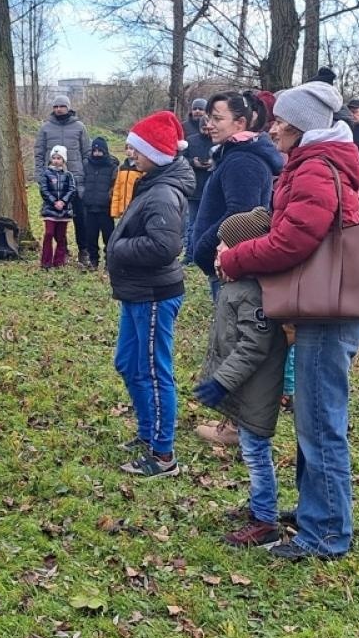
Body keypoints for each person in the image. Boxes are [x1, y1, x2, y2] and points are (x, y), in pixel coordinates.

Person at [216, 80, 359, 561]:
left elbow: (293, 242)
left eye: (281, 119)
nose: (273, 126)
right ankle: (315, 513)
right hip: (329, 304)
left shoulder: (314, 170)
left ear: (302, 125)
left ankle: (324, 534)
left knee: (320, 422)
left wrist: (236, 258)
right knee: (314, 416)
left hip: (328, 308)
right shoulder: (316, 164)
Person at [106, 111, 193, 479]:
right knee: (128, 363)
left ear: (155, 153)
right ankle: (147, 433)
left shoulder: (162, 192)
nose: (130, 152)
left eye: (136, 147)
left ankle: (162, 455)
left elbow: (163, 246)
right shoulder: (151, 183)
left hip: (154, 294)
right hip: (138, 293)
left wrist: (118, 248)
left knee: (156, 373)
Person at [194, 210, 289, 547]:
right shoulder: (235, 286)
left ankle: (265, 522)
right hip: (246, 390)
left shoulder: (252, 293)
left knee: (255, 453)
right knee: (252, 451)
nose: (217, 248)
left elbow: (253, 347)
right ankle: (258, 507)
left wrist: (221, 382)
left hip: (256, 391)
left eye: (224, 243)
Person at [189, 92, 280, 295]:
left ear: (240, 123)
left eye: (218, 119)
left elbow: (242, 215)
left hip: (230, 268)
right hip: (226, 264)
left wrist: (203, 248)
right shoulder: (232, 156)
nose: (209, 124)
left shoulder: (242, 161)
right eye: (209, 117)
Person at [35, 95, 93, 267]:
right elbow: (38, 153)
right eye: (56, 106)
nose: (59, 109)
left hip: (76, 181)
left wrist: (84, 175)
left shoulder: (79, 127)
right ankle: (63, 251)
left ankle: (84, 251)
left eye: (62, 106)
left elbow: (87, 152)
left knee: (80, 219)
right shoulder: (45, 128)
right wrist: (40, 175)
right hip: (52, 183)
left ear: (68, 107)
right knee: (56, 221)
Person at [80, 137, 119, 271]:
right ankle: (93, 260)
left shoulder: (112, 166)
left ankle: (110, 261)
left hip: (105, 208)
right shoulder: (86, 164)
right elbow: (82, 181)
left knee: (108, 236)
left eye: (99, 151)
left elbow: (115, 185)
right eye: (94, 150)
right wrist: (84, 195)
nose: (97, 154)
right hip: (89, 206)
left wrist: (110, 197)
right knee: (91, 236)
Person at [39, 145, 78, 270]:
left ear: (63, 160)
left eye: (59, 158)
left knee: (61, 237)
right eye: (54, 158)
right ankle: (46, 261)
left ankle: (59, 261)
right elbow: (44, 190)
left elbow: (72, 190)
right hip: (50, 209)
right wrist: (54, 202)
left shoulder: (68, 175)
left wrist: (63, 202)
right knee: (49, 233)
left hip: (64, 211)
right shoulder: (46, 174)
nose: (56, 160)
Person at [183, 97, 212, 222]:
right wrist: (192, 162)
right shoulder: (184, 128)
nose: (197, 111)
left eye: (201, 109)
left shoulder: (216, 135)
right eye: (195, 109)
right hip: (193, 182)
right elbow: (180, 155)